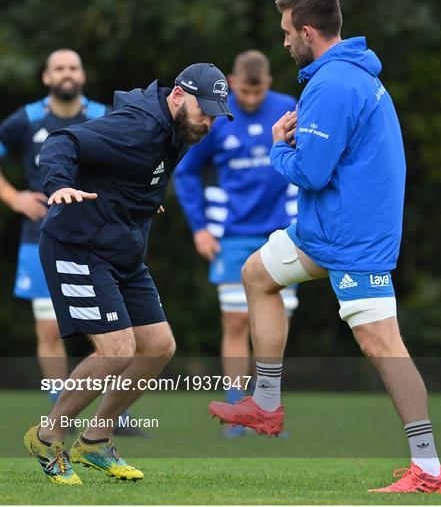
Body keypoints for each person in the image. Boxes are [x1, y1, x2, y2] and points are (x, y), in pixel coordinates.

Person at [209, 0, 441, 494]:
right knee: (257, 274)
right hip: (327, 230)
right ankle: (267, 404)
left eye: (287, 34)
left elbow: (312, 175)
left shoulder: (333, 84)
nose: (284, 44)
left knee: (382, 342)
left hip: (351, 238)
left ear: (308, 32)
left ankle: (427, 468)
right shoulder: (350, 74)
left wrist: (277, 146)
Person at [23, 63, 233, 484]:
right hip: (78, 245)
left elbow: (138, 169)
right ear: (177, 95)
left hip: (120, 249)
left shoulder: (179, 130)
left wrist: (142, 198)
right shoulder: (137, 126)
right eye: (202, 110)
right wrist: (59, 183)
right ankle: (47, 437)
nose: (207, 121)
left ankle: (95, 441)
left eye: (214, 114)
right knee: (117, 350)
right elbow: (63, 141)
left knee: (158, 346)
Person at [0, 49, 142, 436]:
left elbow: (129, 163)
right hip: (41, 239)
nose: (66, 73)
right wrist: (14, 199)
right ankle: (58, 405)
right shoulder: (27, 119)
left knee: (106, 330)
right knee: (48, 330)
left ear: (83, 74)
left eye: (73, 67)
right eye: (59, 68)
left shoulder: (102, 115)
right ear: (46, 77)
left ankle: (111, 411)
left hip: (97, 237)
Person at [174, 50, 298, 437]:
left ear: (270, 84)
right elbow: (187, 170)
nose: (249, 99)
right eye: (243, 91)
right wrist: (200, 228)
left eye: (256, 92)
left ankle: (267, 406)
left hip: (281, 232)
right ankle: (236, 405)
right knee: (235, 321)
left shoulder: (288, 110)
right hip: (231, 235)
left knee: (277, 323)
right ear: (231, 82)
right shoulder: (218, 115)